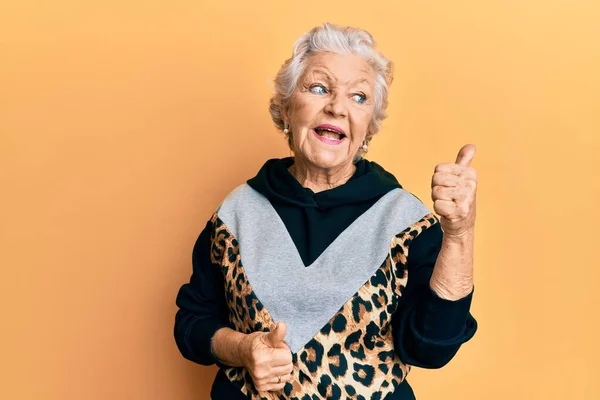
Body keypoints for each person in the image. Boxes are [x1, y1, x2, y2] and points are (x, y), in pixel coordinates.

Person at [174, 22, 478, 400]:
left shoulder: (405, 221)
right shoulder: (237, 211)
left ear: (368, 128)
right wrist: (242, 349)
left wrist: (459, 233)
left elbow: (432, 348)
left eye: (358, 97)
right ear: (286, 109)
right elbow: (192, 323)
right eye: (319, 88)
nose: (336, 106)